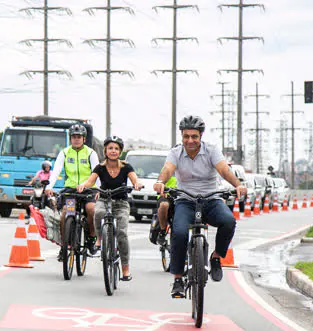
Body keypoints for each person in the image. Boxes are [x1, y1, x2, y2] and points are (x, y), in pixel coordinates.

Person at [153, 115, 247, 298]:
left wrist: (237, 185)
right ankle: (178, 278)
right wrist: (160, 182)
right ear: (181, 136)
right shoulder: (176, 153)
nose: (190, 141)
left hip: (211, 199)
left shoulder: (211, 150)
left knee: (228, 221)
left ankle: (217, 257)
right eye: (186, 136)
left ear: (201, 136)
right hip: (185, 200)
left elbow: (223, 170)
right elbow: (167, 170)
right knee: (179, 233)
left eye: (194, 136)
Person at [77, 136, 142, 281]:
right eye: (110, 148)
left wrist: (137, 184)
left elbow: (134, 179)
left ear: (120, 151)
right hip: (104, 200)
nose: (113, 151)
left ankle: (125, 269)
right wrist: (83, 185)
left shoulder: (126, 167)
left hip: (121, 203)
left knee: (122, 234)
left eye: (116, 148)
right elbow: (90, 181)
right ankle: (99, 238)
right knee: (97, 212)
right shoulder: (100, 167)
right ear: (105, 150)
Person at [46, 124, 100, 259]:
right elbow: (56, 170)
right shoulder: (64, 152)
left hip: (89, 190)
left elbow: (97, 172)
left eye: (79, 137)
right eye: (74, 137)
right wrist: (49, 186)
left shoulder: (91, 153)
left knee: (91, 209)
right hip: (71, 191)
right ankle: (64, 246)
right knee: (66, 213)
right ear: (70, 138)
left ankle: (91, 239)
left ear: (84, 138)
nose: (76, 139)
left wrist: (99, 189)